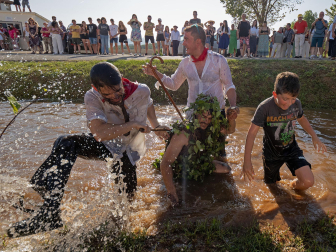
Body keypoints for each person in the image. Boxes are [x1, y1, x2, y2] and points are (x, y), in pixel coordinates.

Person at [7, 62, 169, 238]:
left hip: (128, 153)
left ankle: (120, 235)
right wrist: (132, 124)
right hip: (106, 145)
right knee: (66, 142)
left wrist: (157, 125)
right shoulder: (92, 97)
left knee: (126, 203)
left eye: (118, 90)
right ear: (97, 89)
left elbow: (149, 104)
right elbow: (99, 133)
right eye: (107, 94)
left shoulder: (141, 91)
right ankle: (49, 211)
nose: (115, 96)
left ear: (122, 81)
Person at [143, 24, 239, 161]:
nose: (183, 42)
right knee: (192, 156)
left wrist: (233, 106)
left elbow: (229, 86)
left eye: (186, 39)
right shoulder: (185, 64)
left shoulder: (219, 60)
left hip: (216, 115)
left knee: (220, 156)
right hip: (193, 116)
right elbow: (174, 84)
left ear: (198, 42)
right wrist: (155, 73)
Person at [242, 72, 327, 191]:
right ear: (275, 94)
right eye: (285, 99)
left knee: (308, 181)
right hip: (271, 153)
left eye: (293, 99)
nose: (289, 103)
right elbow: (251, 134)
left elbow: (302, 119)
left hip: (291, 149)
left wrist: (314, 136)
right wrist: (247, 161)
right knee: (272, 187)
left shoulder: (296, 104)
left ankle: (291, 186)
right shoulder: (264, 108)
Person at [156, 95, 236, 206]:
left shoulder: (211, 127)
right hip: (181, 169)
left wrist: (231, 119)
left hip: (199, 164)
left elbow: (230, 130)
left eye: (209, 118)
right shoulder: (183, 133)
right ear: (196, 113)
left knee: (226, 169)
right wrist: (171, 191)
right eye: (203, 116)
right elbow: (166, 163)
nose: (206, 121)